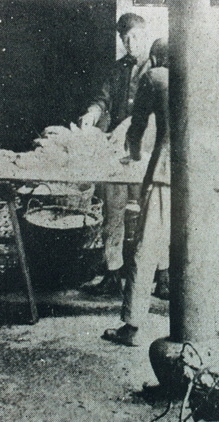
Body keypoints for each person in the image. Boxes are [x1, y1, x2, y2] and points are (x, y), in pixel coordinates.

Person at [102, 38, 169, 346]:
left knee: (146, 247)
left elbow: (137, 128)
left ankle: (133, 327)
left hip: (166, 173)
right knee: (207, 246)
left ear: (153, 59)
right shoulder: (202, 75)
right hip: (203, 175)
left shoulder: (154, 77)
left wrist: (135, 155)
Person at [79, 13, 152, 296]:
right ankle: (112, 272)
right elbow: (103, 98)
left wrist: (131, 125)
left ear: (144, 35)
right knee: (113, 209)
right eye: (125, 38)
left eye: (135, 37)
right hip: (117, 151)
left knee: (151, 212)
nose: (130, 43)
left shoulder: (156, 67)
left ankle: (161, 274)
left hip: (145, 149)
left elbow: (157, 111)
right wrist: (92, 113)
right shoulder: (118, 68)